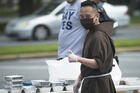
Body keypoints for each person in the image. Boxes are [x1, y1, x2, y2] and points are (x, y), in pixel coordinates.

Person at [68, 1, 116, 93]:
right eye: (81, 17)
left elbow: (98, 63)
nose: (84, 19)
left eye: (87, 16)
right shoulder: (91, 32)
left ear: (97, 16)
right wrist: (79, 79)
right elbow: (90, 60)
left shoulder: (98, 36)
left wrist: (77, 59)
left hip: (98, 86)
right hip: (92, 82)